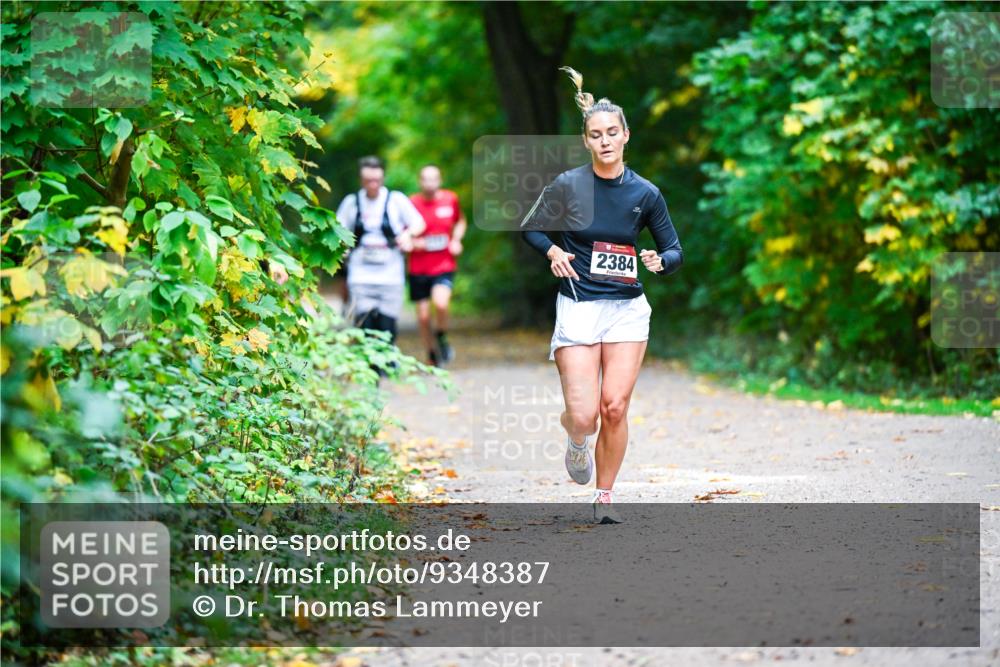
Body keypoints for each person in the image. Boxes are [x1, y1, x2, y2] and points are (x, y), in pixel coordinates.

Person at [521, 67, 683, 524]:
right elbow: (531, 227)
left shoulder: (645, 193)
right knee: (585, 415)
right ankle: (576, 439)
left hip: (626, 309)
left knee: (614, 406)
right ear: (586, 141)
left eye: (613, 132)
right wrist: (553, 248)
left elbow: (674, 249)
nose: (606, 141)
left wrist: (660, 261)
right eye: (596, 135)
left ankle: (605, 495)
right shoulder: (569, 185)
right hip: (577, 306)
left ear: (626, 135)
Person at [336, 156, 425, 354]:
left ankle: (386, 358)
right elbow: (337, 230)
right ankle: (370, 367)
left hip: (390, 274)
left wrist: (407, 235)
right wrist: (342, 248)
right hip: (361, 274)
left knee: (387, 324)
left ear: (383, 177)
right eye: (368, 181)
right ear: (361, 180)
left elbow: (419, 223)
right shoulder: (352, 203)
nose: (373, 185)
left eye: (377, 180)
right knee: (365, 324)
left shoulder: (396, 200)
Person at [408, 164, 467, 366]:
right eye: (425, 179)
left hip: (443, 265)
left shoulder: (450, 199)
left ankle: (441, 336)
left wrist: (456, 240)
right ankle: (431, 354)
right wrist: (415, 244)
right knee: (423, 317)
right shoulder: (412, 203)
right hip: (418, 268)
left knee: (441, 303)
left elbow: (460, 221)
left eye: (434, 179)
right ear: (420, 182)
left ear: (440, 180)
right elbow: (403, 234)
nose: (430, 183)